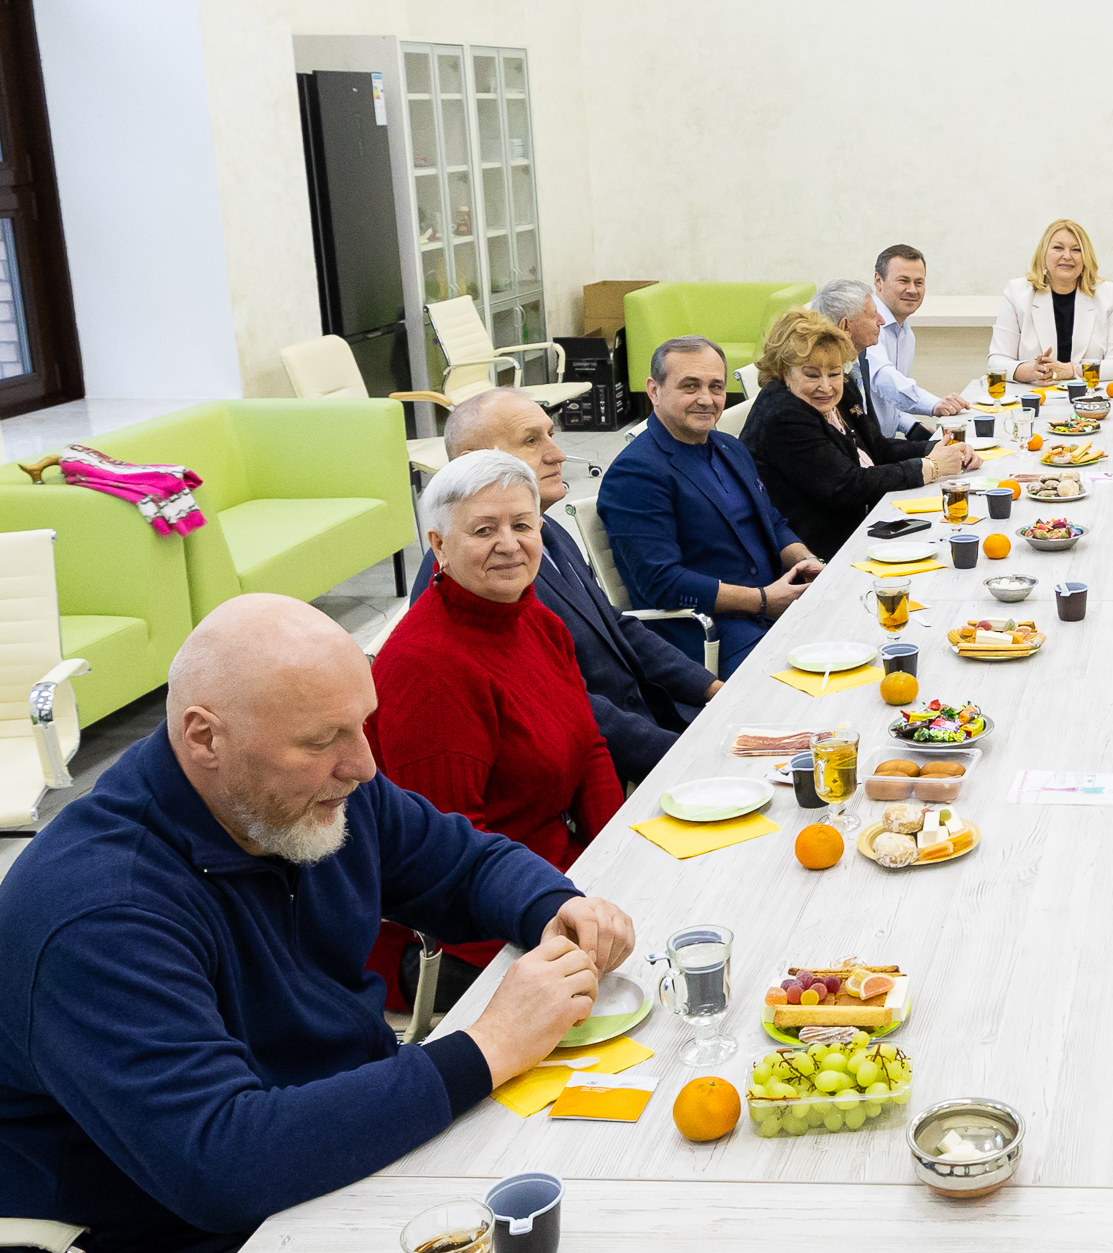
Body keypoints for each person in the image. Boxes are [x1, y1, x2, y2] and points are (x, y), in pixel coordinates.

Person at [0, 595, 636, 1253]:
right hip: (204, 1225)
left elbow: (461, 863)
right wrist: (490, 1045)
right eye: (322, 739)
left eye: (361, 725)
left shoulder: (298, 794)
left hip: (351, 1139)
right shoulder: (100, 913)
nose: (363, 764)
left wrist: (553, 906)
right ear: (205, 738)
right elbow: (222, 1162)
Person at [368, 449, 625, 1011]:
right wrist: (560, 913)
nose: (509, 544)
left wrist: (618, 860)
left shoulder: (536, 620)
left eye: (522, 525)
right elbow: (448, 859)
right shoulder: (428, 669)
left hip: (557, 882)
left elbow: (590, 750)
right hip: (470, 933)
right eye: (484, 530)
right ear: (438, 546)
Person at [409, 387, 718, 778]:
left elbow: (615, 625)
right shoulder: (477, 571)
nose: (557, 454)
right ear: (473, 461)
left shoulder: (546, 528)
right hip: (597, 764)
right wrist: (686, 758)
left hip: (647, 723)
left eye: (551, 435)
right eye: (531, 441)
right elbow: (563, 703)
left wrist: (711, 688)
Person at [600, 335, 824, 678]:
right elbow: (662, 581)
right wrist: (763, 600)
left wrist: (807, 561)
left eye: (715, 387)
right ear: (654, 390)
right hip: (711, 636)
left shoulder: (729, 447)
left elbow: (773, 523)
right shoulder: (636, 473)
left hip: (774, 609)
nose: (706, 399)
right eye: (690, 386)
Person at [747, 308, 979, 558]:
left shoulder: (842, 391)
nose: (826, 386)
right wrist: (931, 466)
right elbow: (846, 485)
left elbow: (877, 447)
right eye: (811, 374)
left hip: (866, 521)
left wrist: (940, 448)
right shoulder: (784, 415)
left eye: (834, 373)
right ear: (784, 371)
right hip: (822, 548)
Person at [830, 244, 968, 440]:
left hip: (884, 444)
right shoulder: (866, 326)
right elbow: (883, 380)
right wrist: (935, 404)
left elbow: (888, 400)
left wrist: (912, 427)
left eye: (919, 282)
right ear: (879, 281)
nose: (912, 290)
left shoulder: (905, 332)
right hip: (865, 446)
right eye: (903, 281)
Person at [987, 219, 1113, 385]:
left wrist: (1070, 370)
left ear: (1086, 257)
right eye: (1058, 248)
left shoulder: (1109, 294)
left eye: (1076, 250)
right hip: (1034, 393)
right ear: (1043, 254)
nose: (1067, 256)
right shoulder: (1017, 292)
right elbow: (997, 362)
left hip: (1088, 395)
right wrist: (1032, 371)